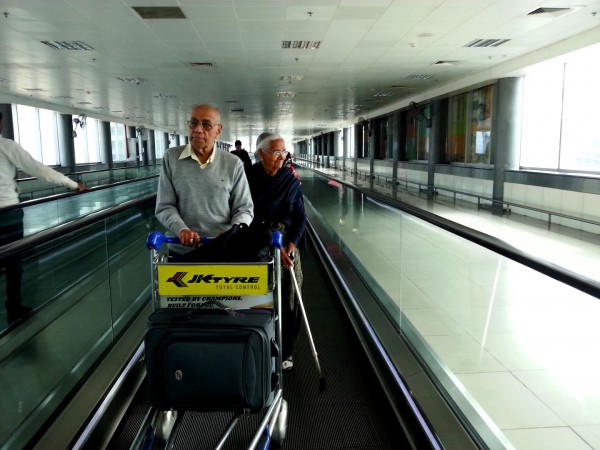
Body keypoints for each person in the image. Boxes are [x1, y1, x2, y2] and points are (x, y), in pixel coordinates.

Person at [0, 111, 88, 323]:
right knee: (14, 262)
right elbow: (39, 170)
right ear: (0, 124)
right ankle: (14, 309)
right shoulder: (6, 146)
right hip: (7, 213)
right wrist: (74, 185)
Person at [155, 104, 254, 258]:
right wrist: (182, 229)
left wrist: (234, 232)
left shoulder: (233, 163)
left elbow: (244, 208)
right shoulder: (171, 158)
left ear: (218, 131)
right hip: (181, 251)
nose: (198, 129)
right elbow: (165, 206)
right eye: (193, 123)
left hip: (223, 249)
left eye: (206, 125)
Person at [249, 133, 306, 371]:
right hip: (256, 243)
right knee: (260, 298)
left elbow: (300, 215)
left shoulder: (289, 179)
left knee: (289, 298)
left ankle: (287, 349)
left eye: (284, 152)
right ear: (261, 153)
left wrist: (291, 243)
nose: (281, 158)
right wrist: (273, 244)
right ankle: (260, 344)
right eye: (275, 152)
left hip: (287, 245)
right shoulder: (248, 178)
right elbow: (246, 216)